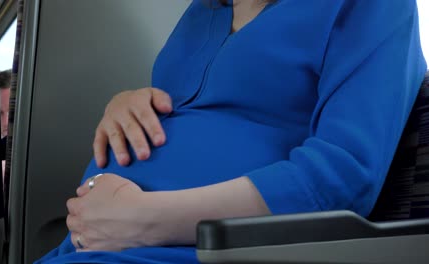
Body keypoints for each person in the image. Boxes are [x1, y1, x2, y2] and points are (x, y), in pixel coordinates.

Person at [36, 0, 427, 263]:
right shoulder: (202, 12)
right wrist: (126, 103)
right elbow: (190, 115)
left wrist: (147, 220)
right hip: (88, 247)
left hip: (203, 250)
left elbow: (342, 177)